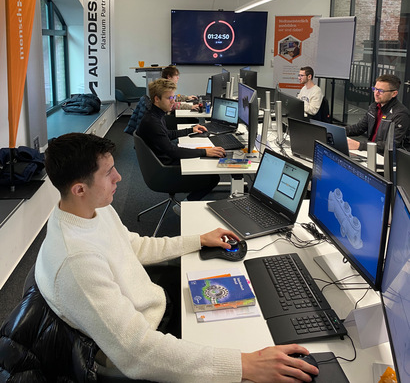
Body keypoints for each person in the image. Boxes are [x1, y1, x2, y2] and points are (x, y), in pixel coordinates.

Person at [35, 132, 319, 383]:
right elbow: (137, 352)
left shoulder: (91, 208)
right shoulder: (77, 262)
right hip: (149, 344)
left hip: (154, 308)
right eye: (108, 172)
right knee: (256, 343)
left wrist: (198, 240)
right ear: (79, 189)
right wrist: (245, 365)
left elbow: (133, 246)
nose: (118, 176)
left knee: (247, 298)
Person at [137, 78, 224, 200]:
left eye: (173, 97)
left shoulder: (155, 114)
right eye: (169, 98)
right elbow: (172, 151)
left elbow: (167, 134)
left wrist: (191, 130)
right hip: (165, 169)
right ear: (157, 99)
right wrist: (205, 151)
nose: (173, 101)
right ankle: (185, 204)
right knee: (212, 177)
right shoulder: (153, 122)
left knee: (202, 158)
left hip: (162, 162)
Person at [346, 74, 410, 153]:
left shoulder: (401, 114)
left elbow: (390, 145)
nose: (376, 93)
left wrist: (359, 145)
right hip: (371, 151)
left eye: (381, 91)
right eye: (375, 89)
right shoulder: (374, 107)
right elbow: (359, 128)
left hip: (387, 157)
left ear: (394, 94)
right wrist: (339, 131)